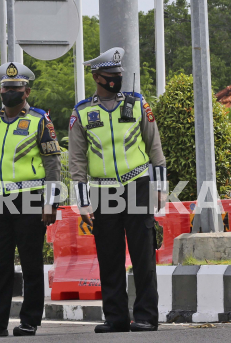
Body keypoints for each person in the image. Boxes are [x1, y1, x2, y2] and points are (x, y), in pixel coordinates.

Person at [68, 47, 167, 333]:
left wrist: (160, 189)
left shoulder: (137, 105)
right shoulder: (82, 112)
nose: (116, 79)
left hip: (137, 185)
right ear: (97, 77)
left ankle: (147, 315)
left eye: (119, 75)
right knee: (109, 257)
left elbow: (155, 148)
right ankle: (116, 318)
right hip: (102, 192)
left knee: (143, 255)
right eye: (111, 75)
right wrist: (84, 203)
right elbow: (76, 161)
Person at [0, 62, 62, 338]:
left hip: (30, 199)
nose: (10, 92)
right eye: (6, 88)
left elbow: (53, 165)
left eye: (16, 88)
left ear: (26, 91)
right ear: (0, 90)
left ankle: (29, 321)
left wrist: (50, 203)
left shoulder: (40, 120)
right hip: (0, 202)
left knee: (31, 263)